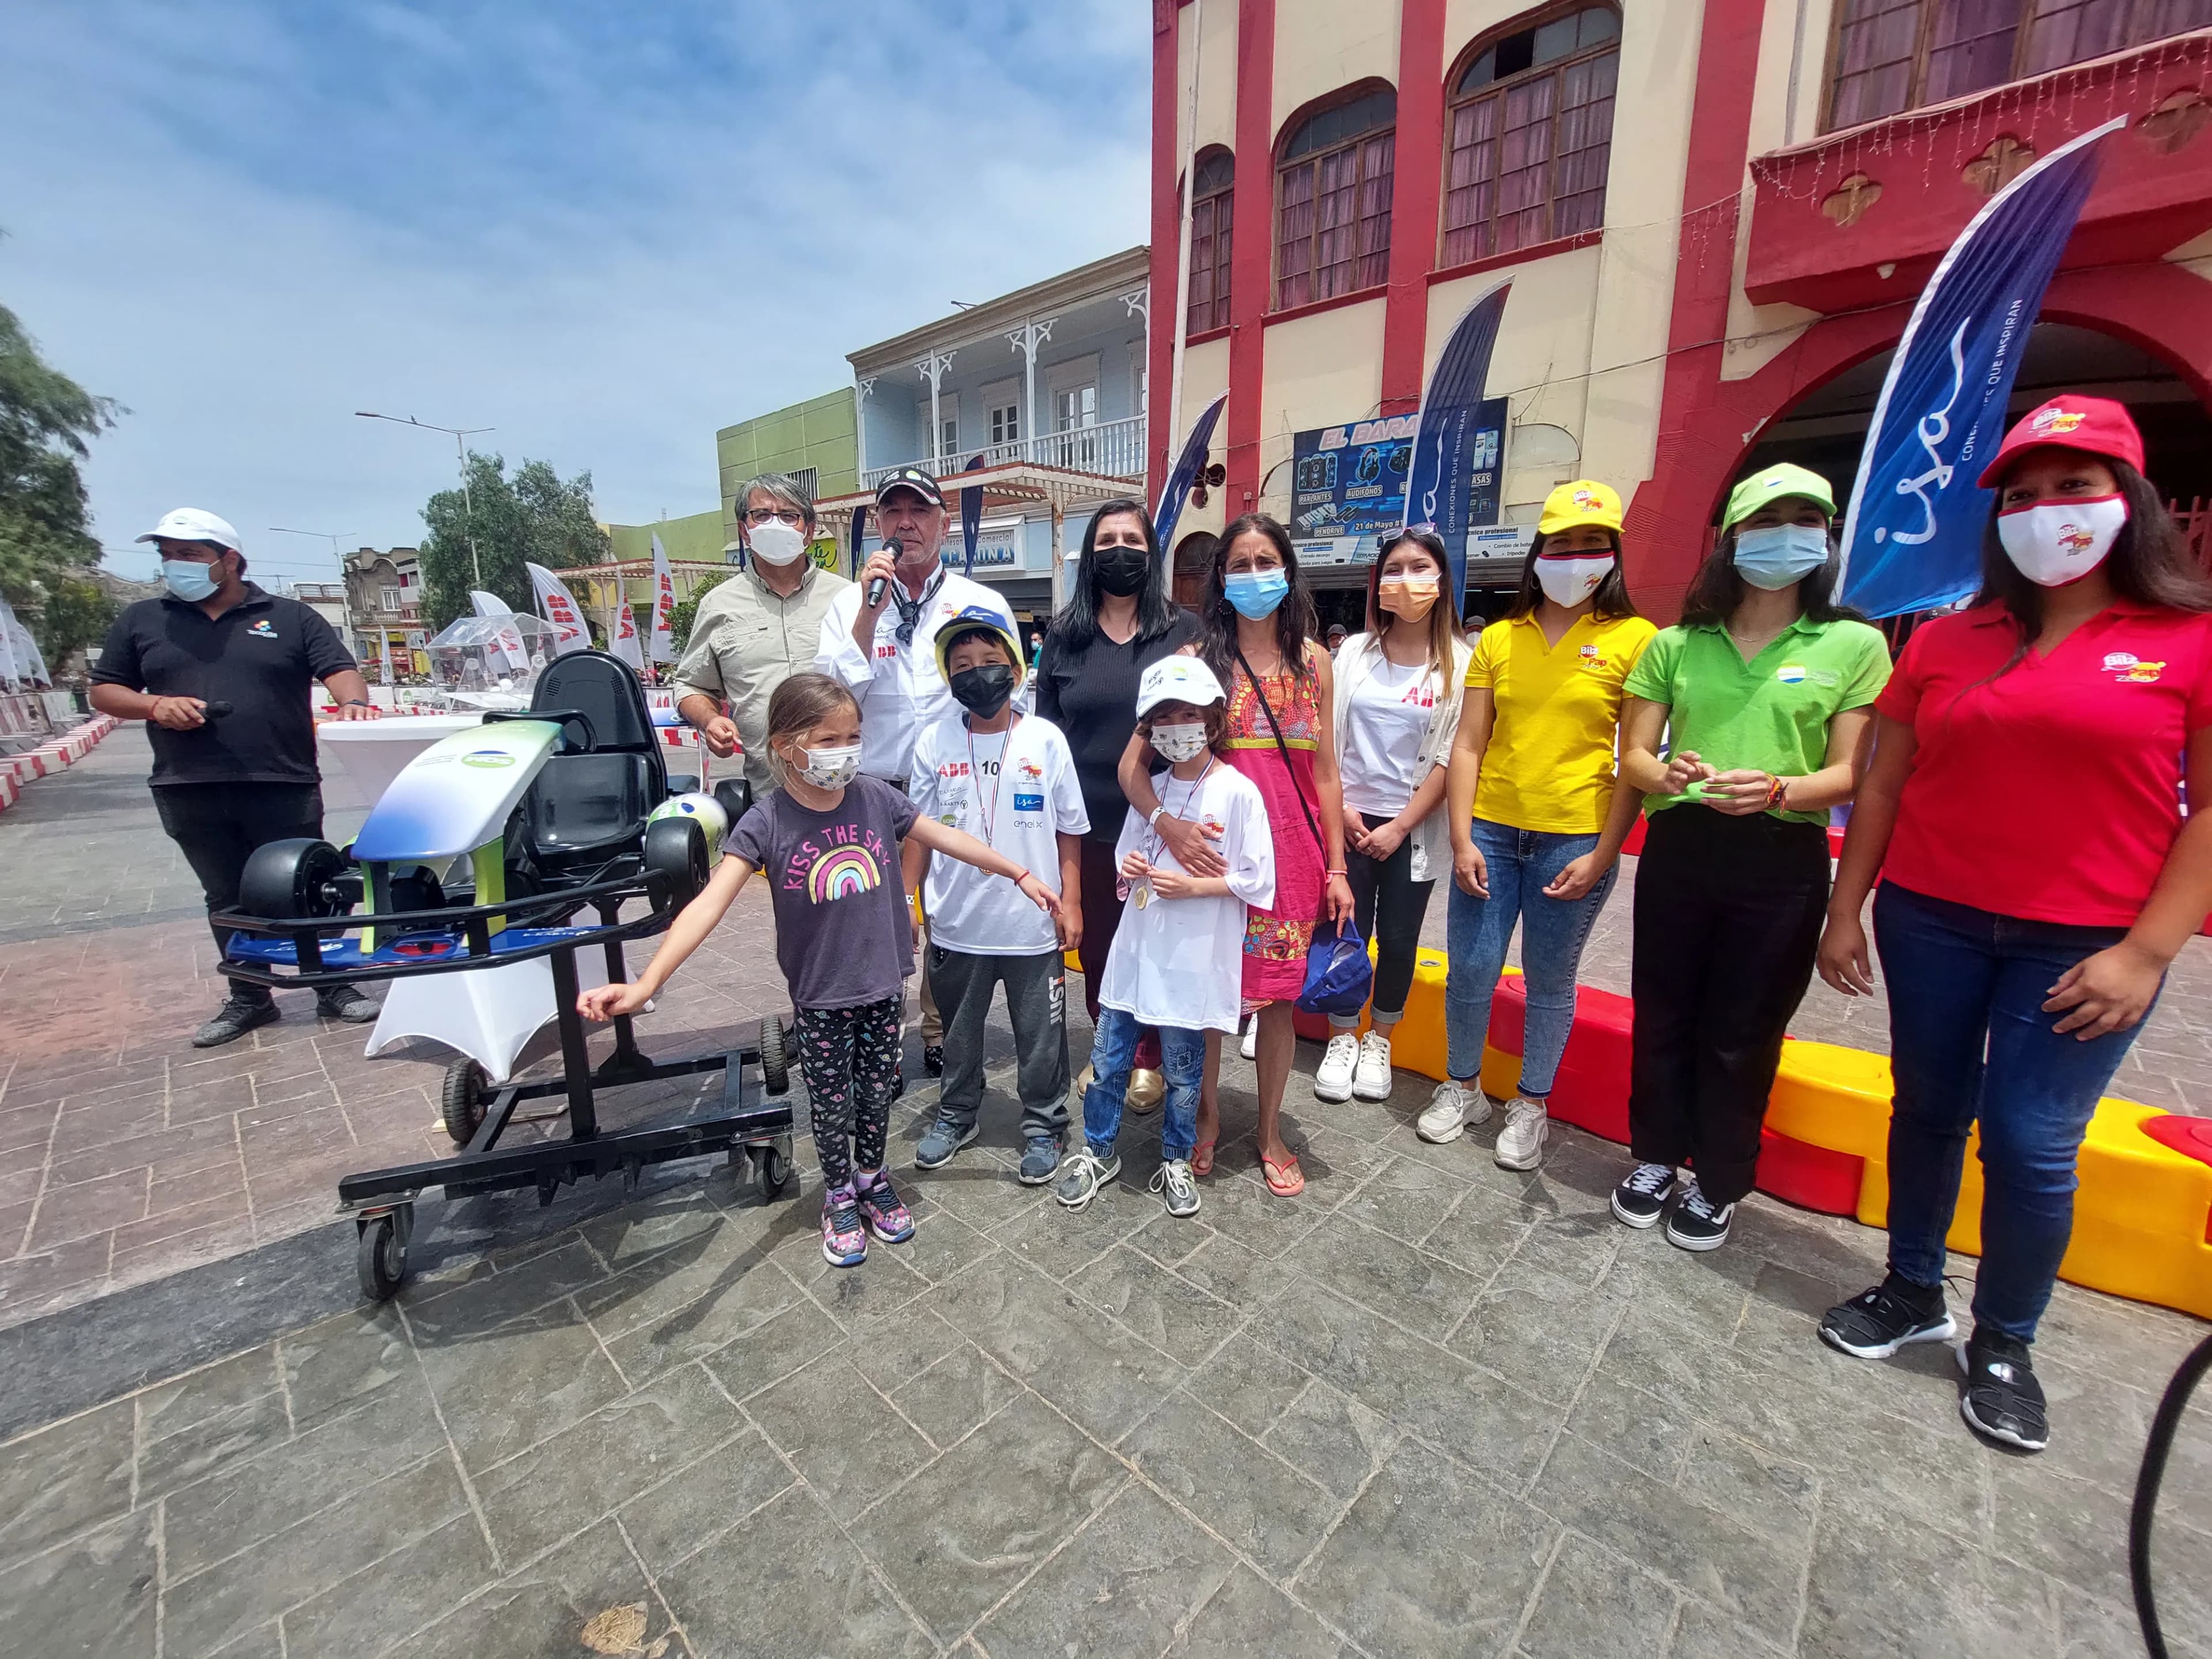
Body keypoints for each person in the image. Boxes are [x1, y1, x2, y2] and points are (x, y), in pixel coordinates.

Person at [1811, 398, 2212, 1453]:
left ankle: (2004, 1341)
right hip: (1932, 919)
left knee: (2032, 1146)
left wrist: (2147, 953)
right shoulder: (1950, 640)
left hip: (2087, 945)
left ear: (2131, 503)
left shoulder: (2189, 640)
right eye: (2023, 498)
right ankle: (1911, 1289)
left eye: (2072, 489)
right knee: (1928, 1109)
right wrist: (1846, 908)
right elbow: (1885, 790)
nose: (2046, 514)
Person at [579, 672, 1058, 1267]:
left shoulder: (878, 797)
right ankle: (837, 1194)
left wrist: (1019, 873)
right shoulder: (767, 821)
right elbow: (708, 905)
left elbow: (946, 837)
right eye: (829, 739)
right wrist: (647, 983)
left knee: (877, 1093)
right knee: (831, 1104)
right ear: (785, 744)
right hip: (821, 994)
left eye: (853, 735)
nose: (846, 750)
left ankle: (872, 1178)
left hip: (885, 985)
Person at [1612, 463, 1889, 1251]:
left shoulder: (1854, 644)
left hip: (1780, 857)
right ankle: (1656, 1157)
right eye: (1765, 523)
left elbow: (1848, 774)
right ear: (1731, 540)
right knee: (1664, 1012)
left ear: (1826, 537)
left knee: (1745, 1027)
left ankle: (1721, 1176)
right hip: (1682, 846)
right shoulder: (1677, 643)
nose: (1783, 538)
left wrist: (1776, 788)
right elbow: (1632, 755)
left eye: (1804, 520)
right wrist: (1667, 773)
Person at [1421, 483, 1655, 1170]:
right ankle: (1462, 1085)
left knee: (1550, 978)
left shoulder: (1637, 640)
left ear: (1612, 556)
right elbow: (1468, 744)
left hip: (1575, 838)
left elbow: (1634, 760)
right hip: (1491, 830)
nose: (1575, 558)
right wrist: (1462, 837)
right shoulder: (1498, 638)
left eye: (1592, 546)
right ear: (1538, 554)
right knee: (1471, 967)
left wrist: (1605, 853)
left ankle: (1531, 1104)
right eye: (1561, 545)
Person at [1121, 513, 1354, 1196]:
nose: (1255, 576)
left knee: (1278, 1004)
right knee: (1210, 996)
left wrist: (1338, 869)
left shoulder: (1317, 664)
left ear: (1288, 571)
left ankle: (1273, 1129)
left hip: (1292, 861)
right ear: (1221, 579)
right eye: (1240, 564)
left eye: (1266, 562)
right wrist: (1168, 828)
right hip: (1211, 859)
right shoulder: (1196, 665)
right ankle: (1207, 1116)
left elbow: (1329, 774)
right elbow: (1132, 768)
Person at [89, 509, 384, 1048]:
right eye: (169, 555)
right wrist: (154, 705)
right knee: (225, 895)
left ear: (229, 560)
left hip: (282, 777)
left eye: (190, 554)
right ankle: (250, 996)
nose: (176, 565)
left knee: (310, 886)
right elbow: (105, 691)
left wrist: (355, 703)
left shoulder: (290, 617)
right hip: (189, 783)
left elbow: (338, 668)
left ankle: (333, 985)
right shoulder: (143, 619)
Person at [816, 466, 1018, 1074]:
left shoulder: (981, 603)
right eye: (893, 512)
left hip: (952, 785)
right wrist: (866, 621)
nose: (907, 523)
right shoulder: (851, 603)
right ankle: (873, 1036)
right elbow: (827, 699)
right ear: (879, 524)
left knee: (944, 915)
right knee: (867, 917)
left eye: (921, 511)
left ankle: (938, 1033)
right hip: (870, 789)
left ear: (944, 523)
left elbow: (1011, 698)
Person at [1056, 658, 1274, 1218]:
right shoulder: (1149, 791)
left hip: (1193, 965)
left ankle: (1176, 1157)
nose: (1177, 727)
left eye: (1189, 715)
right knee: (1108, 1060)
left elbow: (1257, 880)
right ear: (1149, 730)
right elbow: (1131, 864)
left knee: (1182, 1070)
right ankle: (1098, 1150)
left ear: (1212, 720)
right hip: (1136, 956)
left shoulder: (1238, 793)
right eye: (1164, 718)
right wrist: (1129, 870)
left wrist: (1196, 886)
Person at [904, 609, 1087, 1184]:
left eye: (989, 663)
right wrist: (906, 904)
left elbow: (1069, 829)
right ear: (946, 675)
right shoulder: (933, 742)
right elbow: (918, 831)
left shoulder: (1045, 739)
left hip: (1033, 927)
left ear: (1014, 668)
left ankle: (1045, 1124)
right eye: (962, 666)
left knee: (1041, 1039)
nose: (978, 675)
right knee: (958, 1037)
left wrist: (1073, 902)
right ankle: (957, 1115)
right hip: (957, 925)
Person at [1033, 500, 1202, 1113]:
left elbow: (1203, 722)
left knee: (1158, 942)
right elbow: (1046, 737)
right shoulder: (1064, 637)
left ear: (1151, 553)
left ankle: (1151, 1056)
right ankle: (1111, 1043)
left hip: (1163, 821)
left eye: (1133, 538)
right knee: (1101, 947)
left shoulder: (1183, 632)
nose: (1121, 550)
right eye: (1107, 540)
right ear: (1090, 555)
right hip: (1090, 825)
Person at [1317, 527, 1471, 1107]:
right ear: (1377, 583)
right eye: (1395, 569)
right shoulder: (1353, 653)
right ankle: (1341, 1033)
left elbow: (1453, 755)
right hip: (1349, 818)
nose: (1407, 581)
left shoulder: (1461, 663)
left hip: (1414, 828)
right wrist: (1347, 811)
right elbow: (1325, 738)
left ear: (1441, 580)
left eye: (1419, 568)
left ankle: (1380, 1038)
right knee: (1342, 930)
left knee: (1401, 937)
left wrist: (1402, 825)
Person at [673, 472, 850, 801]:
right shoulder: (718, 605)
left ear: (809, 531)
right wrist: (711, 720)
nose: (775, 525)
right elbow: (691, 685)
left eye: (788, 516)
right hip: (769, 797)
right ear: (744, 529)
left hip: (851, 791)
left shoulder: (847, 598)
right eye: (762, 515)